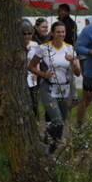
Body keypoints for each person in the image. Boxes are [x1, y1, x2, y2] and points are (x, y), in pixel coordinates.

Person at [30, 19, 81, 150]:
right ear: (52, 33)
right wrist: (42, 74)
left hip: (64, 89)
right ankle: (48, 148)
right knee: (57, 121)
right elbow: (31, 66)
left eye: (63, 32)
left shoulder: (69, 48)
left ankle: (48, 145)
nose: (61, 34)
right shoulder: (44, 48)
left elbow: (77, 73)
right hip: (48, 87)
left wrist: (73, 61)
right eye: (58, 32)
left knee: (61, 122)